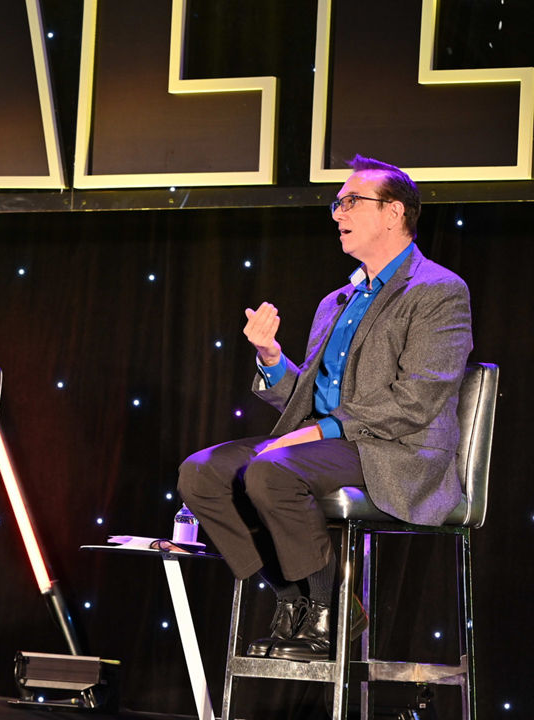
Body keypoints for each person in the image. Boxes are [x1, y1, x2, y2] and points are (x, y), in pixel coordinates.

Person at [177, 155, 472, 662]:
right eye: (337, 202)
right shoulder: (338, 299)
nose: (338, 212)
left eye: (351, 201)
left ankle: (326, 614)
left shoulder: (439, 291)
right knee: (201, 474)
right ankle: (295, 600)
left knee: (271, 472)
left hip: (395, 450)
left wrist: (319, 433)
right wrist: (272, 358)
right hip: (327, 442)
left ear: (393, 212)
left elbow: (418, 398)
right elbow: (306, 400)